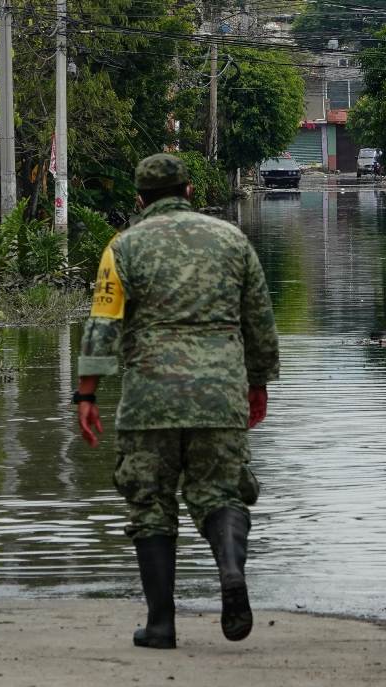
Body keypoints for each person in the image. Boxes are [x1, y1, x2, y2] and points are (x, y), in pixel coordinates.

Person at [74, 153, 280, 650]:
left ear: (140, 199)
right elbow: (260, 321)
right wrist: (258, 383)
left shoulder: (121, 247)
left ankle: (162, 625)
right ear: (189, 192)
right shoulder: (233, 241)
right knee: (222, 493)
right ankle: (230, 569)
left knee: (150, 503)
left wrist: (87, 392)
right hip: (220, 393)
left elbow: (102, 325)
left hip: (149, 397)